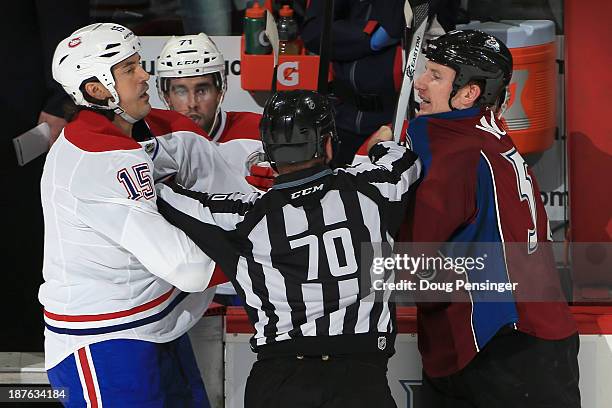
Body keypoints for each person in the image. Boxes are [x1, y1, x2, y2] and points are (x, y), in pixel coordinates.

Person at [155, 90, 422, 408]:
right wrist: (380, 144)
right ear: (327, 143)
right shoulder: (373, 189)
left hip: (280, 381)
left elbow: (165, 195)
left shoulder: (245, 216)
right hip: (361, 380)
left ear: (267, 151)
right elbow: (404, 161)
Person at [41, 23, 252, 407]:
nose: (145, 76)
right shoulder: (98, 160)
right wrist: (259, 250)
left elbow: (215, 173)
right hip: (104, 343)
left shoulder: (137, 133)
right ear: (96, 89)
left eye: (140, 64)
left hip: (154, 328)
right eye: (129, 69)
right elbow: (188, 267)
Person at [401, 30, 580, 407]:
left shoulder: (454, 153)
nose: (419, 83)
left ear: (469, 94)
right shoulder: (488, 134)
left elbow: (411, 266)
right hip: (531, 339)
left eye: (435, 75)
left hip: (497, 347)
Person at [0, 0, 89, 352]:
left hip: (22, 135)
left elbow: (66, 27)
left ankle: (27, 362)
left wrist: (60, 104)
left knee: (23, 243)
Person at [302, 0, 459, 165]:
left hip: (402, 118)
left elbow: (393, 26)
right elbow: (313, 32)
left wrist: (347, 37)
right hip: (343, 115)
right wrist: (367, 37)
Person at [156, 32, 274, 191]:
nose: (192, 103)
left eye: (202, 90)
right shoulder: (155, 144)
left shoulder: (260, 132)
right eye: (181, 91)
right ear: (166, 96)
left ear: (220, 90)